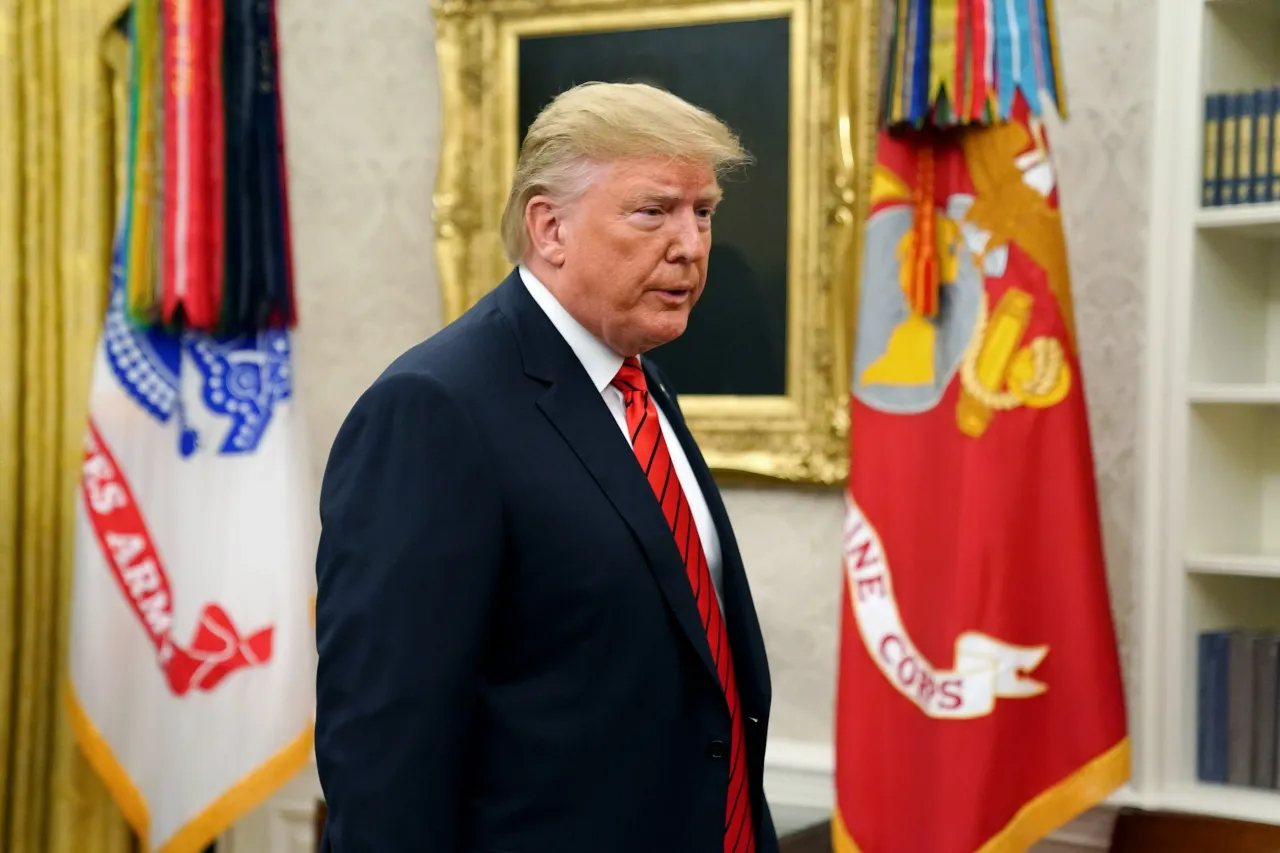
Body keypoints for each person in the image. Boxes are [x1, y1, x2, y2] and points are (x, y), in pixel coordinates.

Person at [314, 81, 779, 853]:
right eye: (654, 210)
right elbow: (385, 751)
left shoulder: (640, 380)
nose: (692, 245)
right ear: (549, 226)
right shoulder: (434, 411)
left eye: (703, 212)